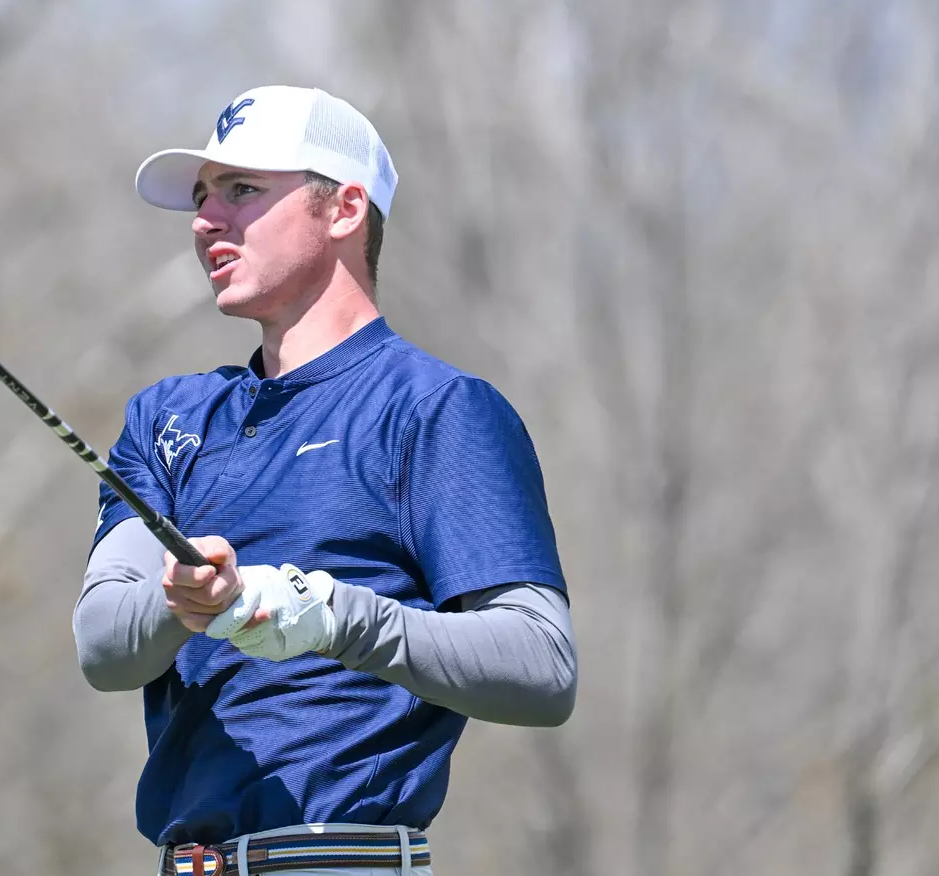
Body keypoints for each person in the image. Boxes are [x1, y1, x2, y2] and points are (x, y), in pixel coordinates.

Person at [73, 86, 576, 876]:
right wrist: (184, 603)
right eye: (201, 197)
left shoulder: (435, 409)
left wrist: (330, 617)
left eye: (242, 190)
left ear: (344, 209)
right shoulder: (167, 418)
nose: (206, 220)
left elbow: (542, 666)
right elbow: (105, 648)